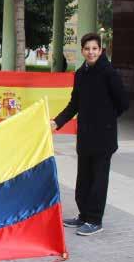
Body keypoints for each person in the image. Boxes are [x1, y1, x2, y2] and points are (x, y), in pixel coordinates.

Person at [51, 32, 129, 237]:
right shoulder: (80, 74)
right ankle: (84, 215)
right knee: (83, 179)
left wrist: (106, 120)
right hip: (85, 136)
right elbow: (74, 104)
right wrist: (57, 122)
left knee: (98, 181)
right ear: (82, 51)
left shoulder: (109, 73)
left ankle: (95, 220)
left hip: (104, 137)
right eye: (87, 49)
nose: (91, 52)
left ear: (101, 50)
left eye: (95, 48)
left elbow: (123, 103)